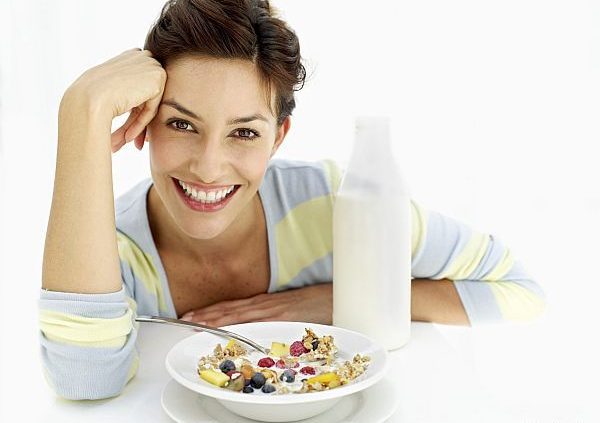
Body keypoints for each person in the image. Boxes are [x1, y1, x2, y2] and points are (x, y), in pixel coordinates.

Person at [39, 0, 546, 400]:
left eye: (243, 132)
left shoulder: (334, 205)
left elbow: (519, 289)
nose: (209, 167)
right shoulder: (111, 248)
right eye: (181, 123)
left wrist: (340, 300)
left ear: (278, 137)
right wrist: (80, 111)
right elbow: (83, 380)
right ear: (143, 123)